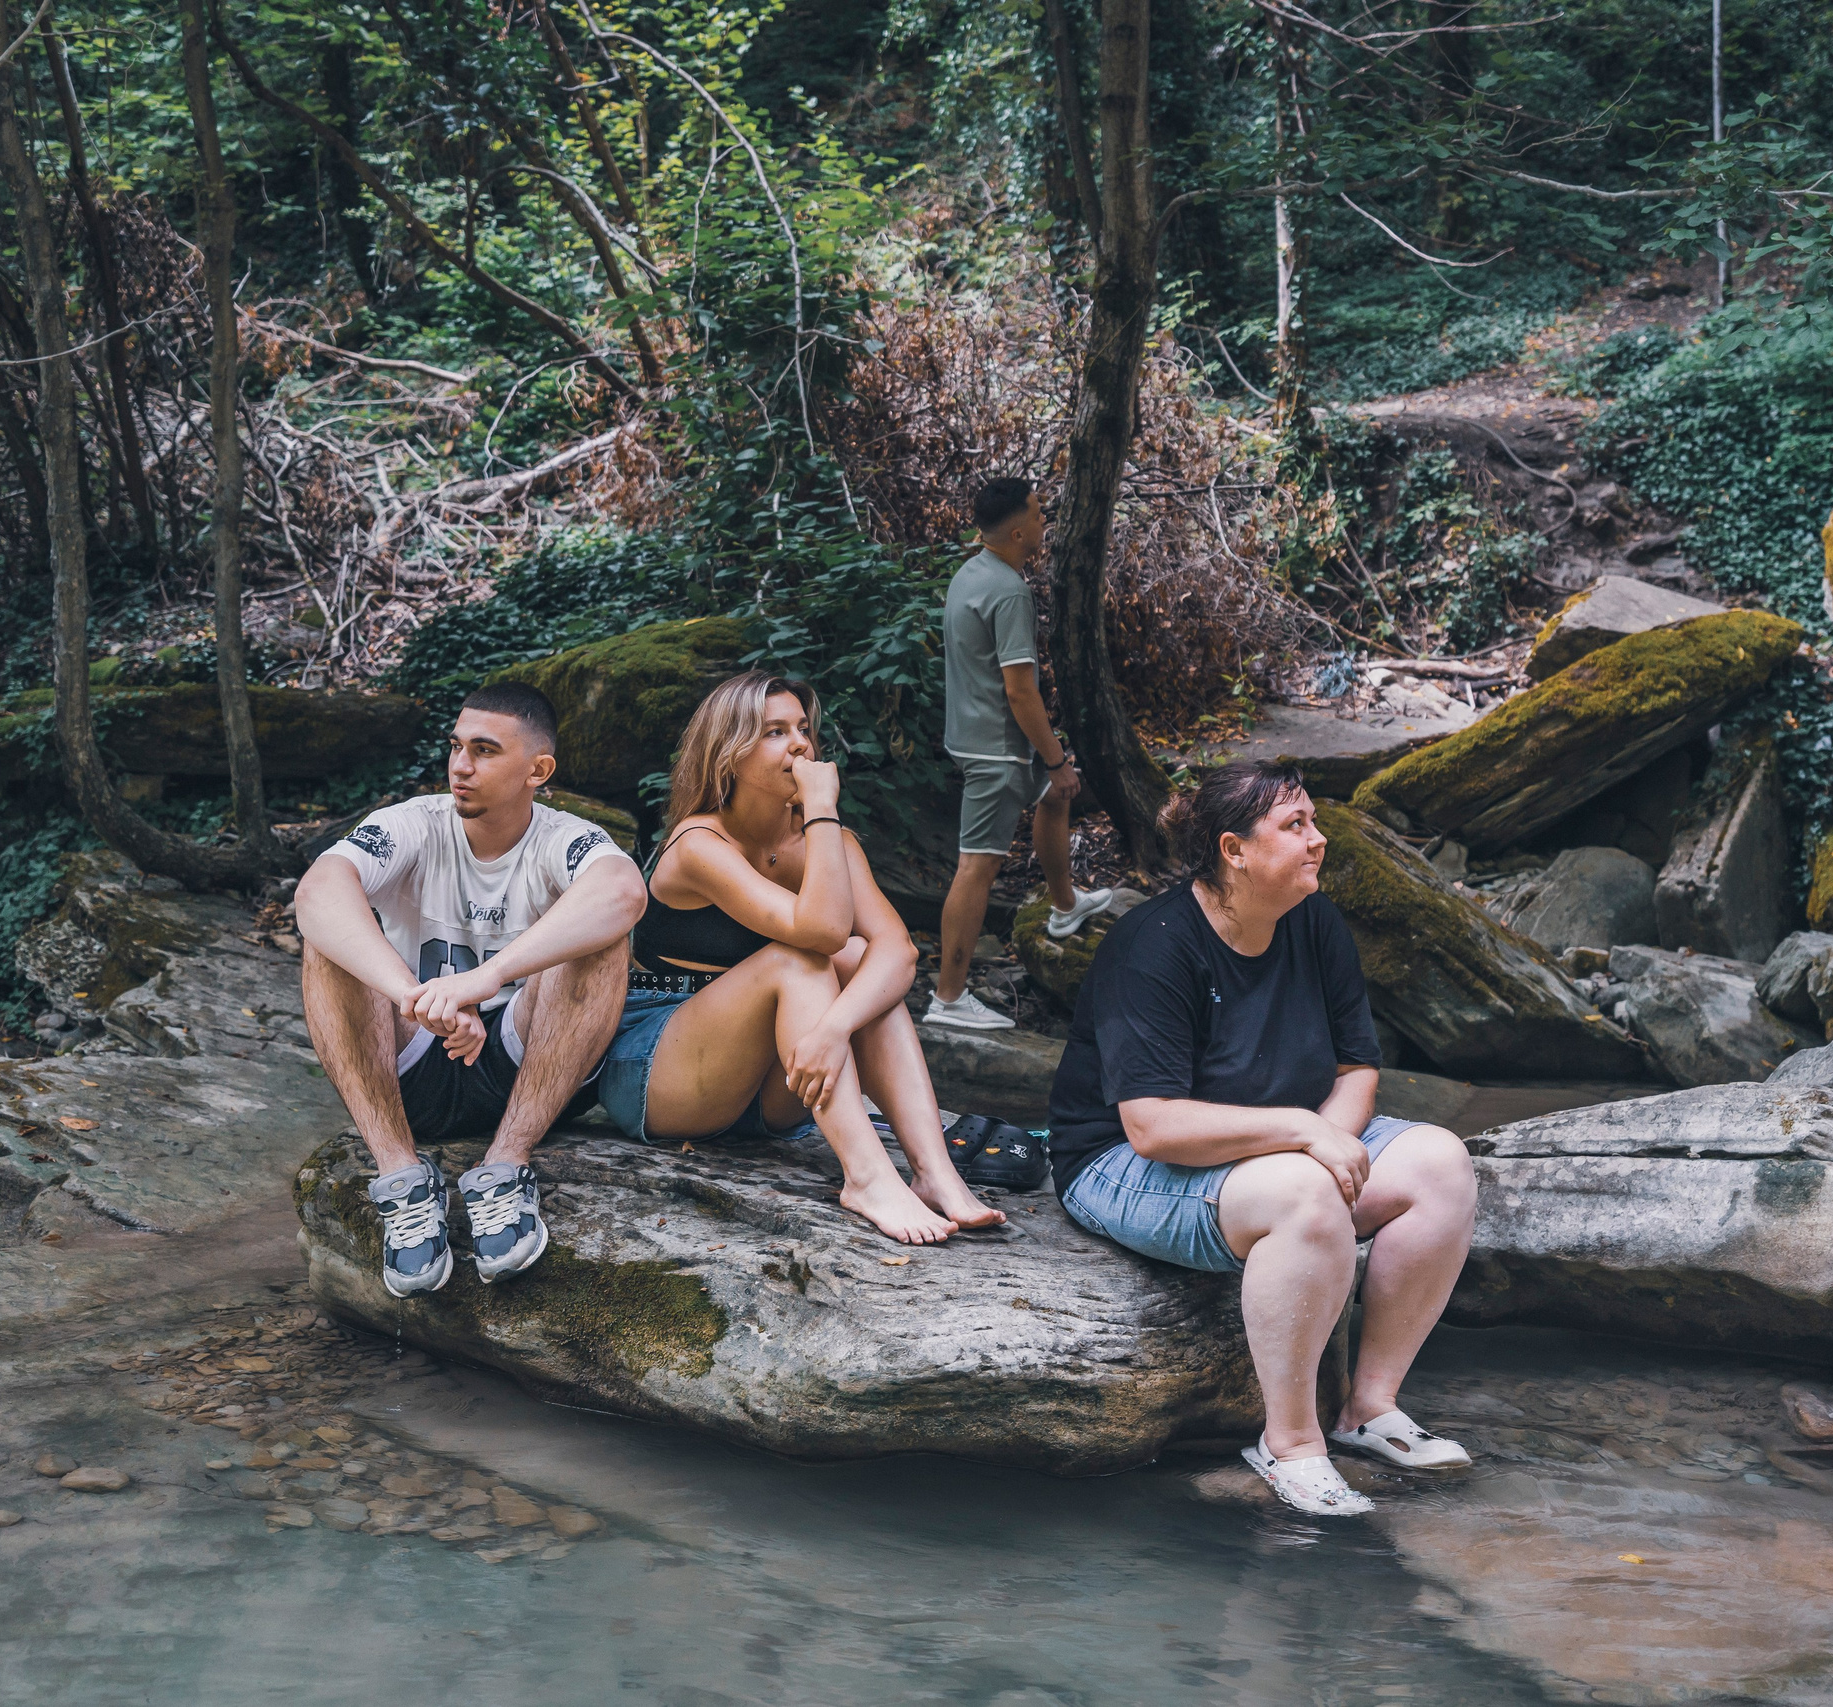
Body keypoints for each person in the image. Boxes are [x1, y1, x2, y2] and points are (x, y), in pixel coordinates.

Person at [1048, 760, 1480, 1517]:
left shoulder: (1313, 920)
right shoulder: (1153, 945)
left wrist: (1325, 1142)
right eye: (1296, 826)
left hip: (1280, 1153)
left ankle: (1369, 1408)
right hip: (1121, 1163)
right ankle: (1290, 1445)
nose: (1318, 841)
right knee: (1306, 1193)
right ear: (1233, 850)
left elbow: (1357, 1068)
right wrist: (1303, 1138)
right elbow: (1151, 1124)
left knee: (1441, 1162)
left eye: (1313, 823)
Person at [592, 670, 1007, 1244]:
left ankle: (935, 1173)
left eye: (805, 729)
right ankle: (866, 1179)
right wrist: (821, 807)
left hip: (768, 1088)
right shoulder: (698, 844)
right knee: (803, 958)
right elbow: (820, 929)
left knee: (864, 962)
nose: (801, 746)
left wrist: (833, 1028)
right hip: (659, 1068)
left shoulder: (822, 840)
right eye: (774, 732)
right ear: (729, 755)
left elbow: (899, 953)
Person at [298, 682, 645, 1297]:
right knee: (327, 944)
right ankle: (402, 1178)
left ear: (537, 770)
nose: (461, 766)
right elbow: (318, 891)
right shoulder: (413, 825)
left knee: (601, 937)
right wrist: (416, 996)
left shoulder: (565, 837)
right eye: (457, 747)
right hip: (414, 1067)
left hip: (527, 1069)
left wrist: (482, 982)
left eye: (484, 750)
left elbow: (622, 892)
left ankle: (505, 1168)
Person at [925, 476, 1112, 1032]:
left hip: (977, 737)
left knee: (1056, 798)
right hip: (997, 751)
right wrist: (1056, 757)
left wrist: (1054, 772)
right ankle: (949, 999)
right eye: (1036, 513)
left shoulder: (972, 573)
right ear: (1016, 530)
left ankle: (1064, 906)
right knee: (977, 867)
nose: (1042, 520)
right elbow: (1020, 690)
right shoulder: (1009, 592)